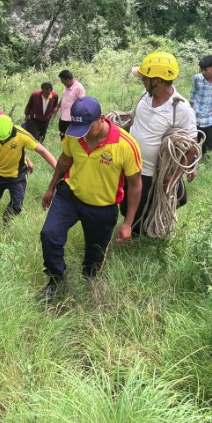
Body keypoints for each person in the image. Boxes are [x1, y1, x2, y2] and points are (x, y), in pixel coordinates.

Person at [38, 97, 142, 302]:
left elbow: (136, 184)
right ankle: (56, 280)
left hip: (103, 207)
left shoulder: (125, 144)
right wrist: (51, 188)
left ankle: (91, 281)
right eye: (79, 128)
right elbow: (64, 160)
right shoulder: (74, 135)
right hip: (70, 196)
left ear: (101, 119)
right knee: (49, 235)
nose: (83, 134)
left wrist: (128, 223)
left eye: (88, 127)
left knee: (94, 257)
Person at [124, 51, 198, 236]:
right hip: (131, 166)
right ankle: (135, 231)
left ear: (156, 81)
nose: (141, 79)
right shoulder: (145, 95)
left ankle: (144, 239)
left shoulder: (181, 109)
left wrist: (175, 176)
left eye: (145, 77)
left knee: (142, 211)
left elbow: (193, 146)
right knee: (126, 207)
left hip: (151, 173)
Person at [0, 115, 57, 221]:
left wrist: (58, 169)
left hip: (17, 176)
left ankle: (5, 221)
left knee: (17, 206)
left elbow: (43, 151)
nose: (1, 141)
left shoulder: (22, 135)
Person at [54, 70, 86, 140]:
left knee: (70, 139)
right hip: (63, 117)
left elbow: (82, 103)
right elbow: (63, 97)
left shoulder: (79, 88)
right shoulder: (67, 86)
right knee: (62, 137)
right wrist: (57, 107)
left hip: (71, 120)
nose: (63, 84)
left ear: (67, 80)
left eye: (63, 82)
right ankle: (64, 150)